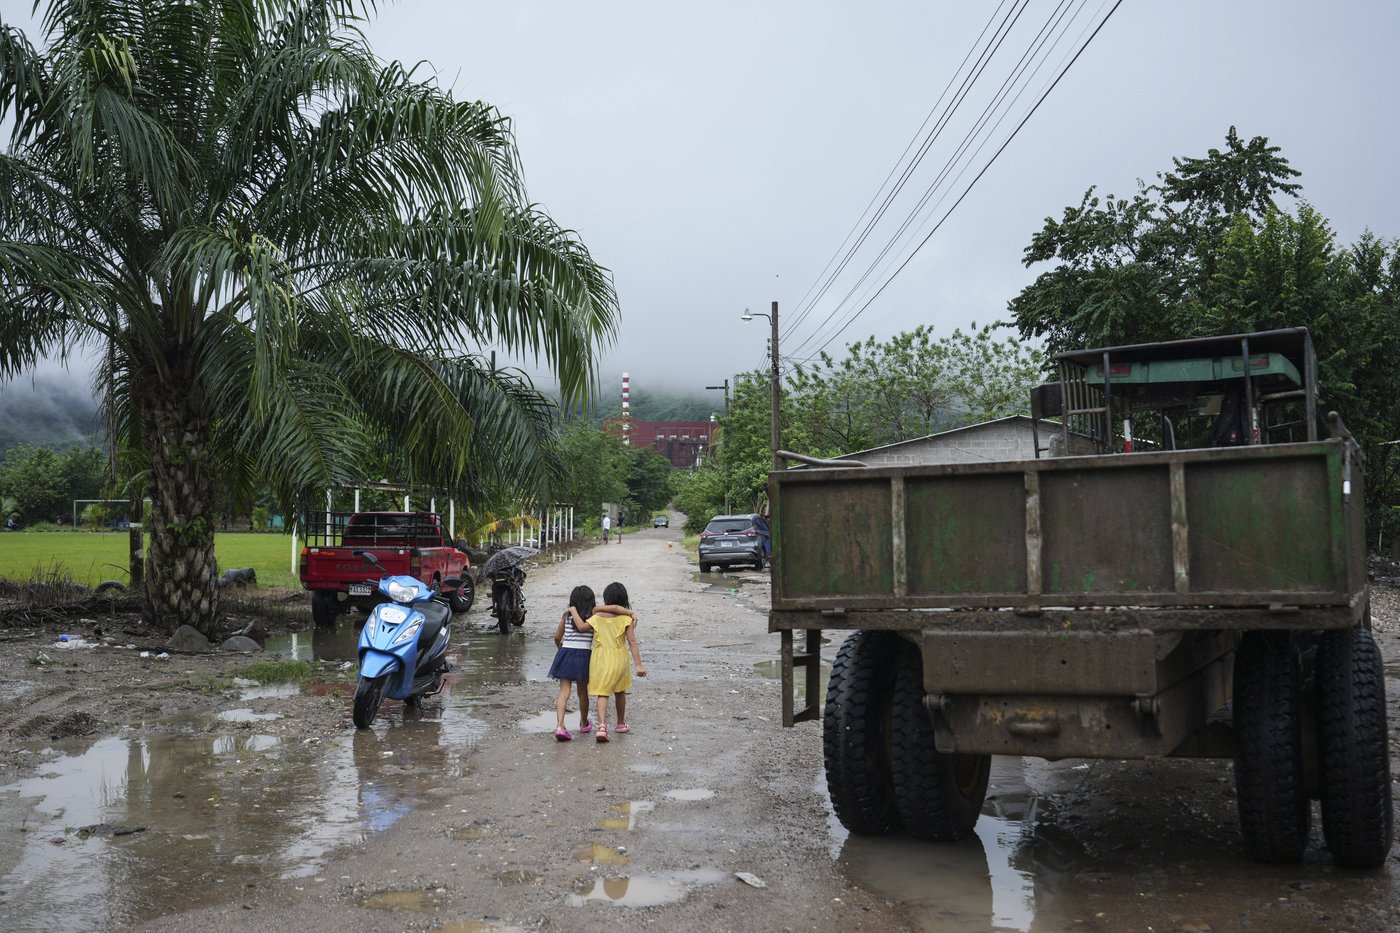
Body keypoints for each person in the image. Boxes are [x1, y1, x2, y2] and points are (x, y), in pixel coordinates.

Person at [575, 581, 645, 743]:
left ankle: (601, 726)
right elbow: (632, 642)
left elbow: (583, 628)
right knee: (620, 691)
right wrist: (639, 664)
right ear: (624, 599)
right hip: (619, 657)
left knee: (603, 692)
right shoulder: (626, 619)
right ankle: (620, 724)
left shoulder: (596, 616)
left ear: (606, 598)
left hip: (600, 658)